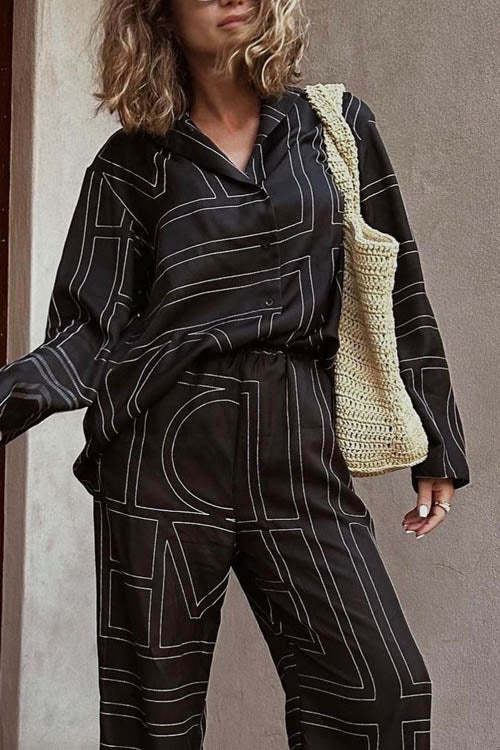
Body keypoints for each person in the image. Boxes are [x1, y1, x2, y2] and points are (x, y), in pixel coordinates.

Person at [0, 0, 470, 747]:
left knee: (382, 695)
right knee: (155, 726)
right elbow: (88, 331)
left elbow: (397, 280)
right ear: (157, 14)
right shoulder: (132, 162)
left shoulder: (333, 126)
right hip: (163, 453)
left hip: (299, 437)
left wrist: (437, 433)